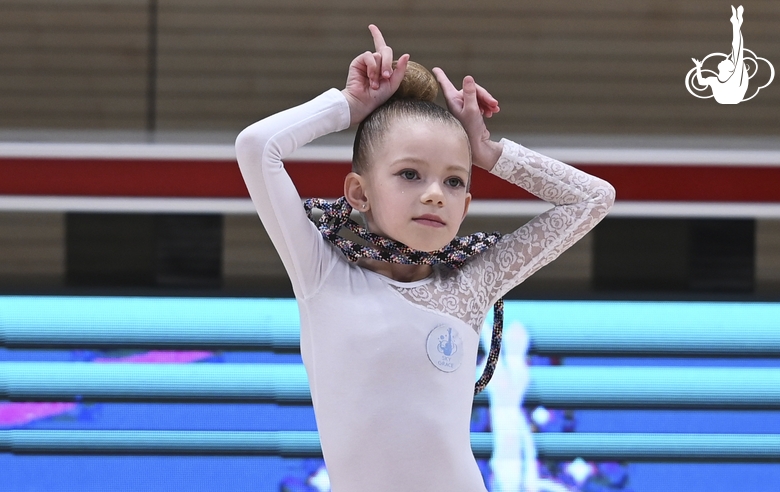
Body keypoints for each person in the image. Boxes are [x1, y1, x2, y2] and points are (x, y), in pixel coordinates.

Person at [235, 25, 615, 492]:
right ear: (359, 192)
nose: (435, 194)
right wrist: (348, 107)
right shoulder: (321, 271)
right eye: (410, 174)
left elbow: (594, 199)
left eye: (455, 181)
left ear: (467, 206)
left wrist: (490, 153)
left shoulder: (472, 281)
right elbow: (256, 148)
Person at [692, 5, 748, 104]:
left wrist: (736, 25)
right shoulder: (714, 80)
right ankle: (736, 23)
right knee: (737, 52)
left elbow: (737, 49)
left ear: (729, 69)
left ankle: (736, 23)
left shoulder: (734, 77)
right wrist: (698, 67)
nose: (725, 59)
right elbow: (701, 82)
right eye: (728, 60)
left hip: (733, 96)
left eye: (728, 61)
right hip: (729, 97)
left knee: (737, 51)